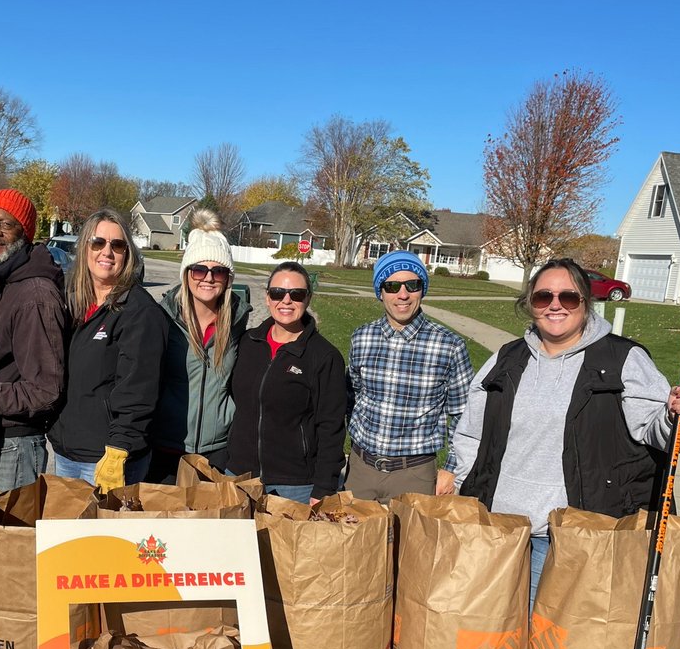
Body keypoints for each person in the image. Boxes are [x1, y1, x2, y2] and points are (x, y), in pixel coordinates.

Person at [452, 258, 680, 611]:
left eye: (568, 297)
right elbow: (470, 432)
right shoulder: (506, 359)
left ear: (586, 302)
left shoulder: (623, 358)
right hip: (499, 529)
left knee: (553, 647)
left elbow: (660, 432)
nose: (555, 305)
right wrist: (464, 484)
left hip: (575, 534)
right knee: (493, 640)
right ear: (530, 303)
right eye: (543, 297)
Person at [48, 208, 167, 493]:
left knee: (103, 539)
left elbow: (138, 392)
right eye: (98, 243)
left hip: (108, 458)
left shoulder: (140, 313)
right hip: (67, 452)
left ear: (128, 254)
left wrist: (119, 449)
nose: (107, 252)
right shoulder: (73, 303)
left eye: (117, 245)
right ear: (85, 247)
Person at [345, 251, 474, 504]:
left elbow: (465, 415)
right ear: (380, 292)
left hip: (414, 473)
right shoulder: (361, 338)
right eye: (392, 286)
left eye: (412, 285)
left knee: (409, 544)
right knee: (354, 541)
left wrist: (450, 469)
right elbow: (354, 396)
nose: (402, 295)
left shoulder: (449, 345)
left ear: (422, 290)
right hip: (361, 469)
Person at [0, 189, 67, 492]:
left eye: (5, 224)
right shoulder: (3, 281)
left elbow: (45, 389)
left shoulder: (34, 294)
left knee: (7, 534)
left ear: (24, 232)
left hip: (15, 443)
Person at [226, 262, 347, 504]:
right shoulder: (248, 343)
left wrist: (323, 489)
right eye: (278, 293)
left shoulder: (324, 356)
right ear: (268, 297)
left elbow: (331, 428)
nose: (286, 301)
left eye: (297, 294)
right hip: (239, 477)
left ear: (308, 298)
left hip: (295, 486)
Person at [146, 209, 251, 484]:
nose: (208, 277)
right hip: (166, 448)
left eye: (218, 271)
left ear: (228, 278)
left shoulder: (238, 324)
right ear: (186, 273)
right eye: (199, 269)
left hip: (216, 453)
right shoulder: (162, 320)